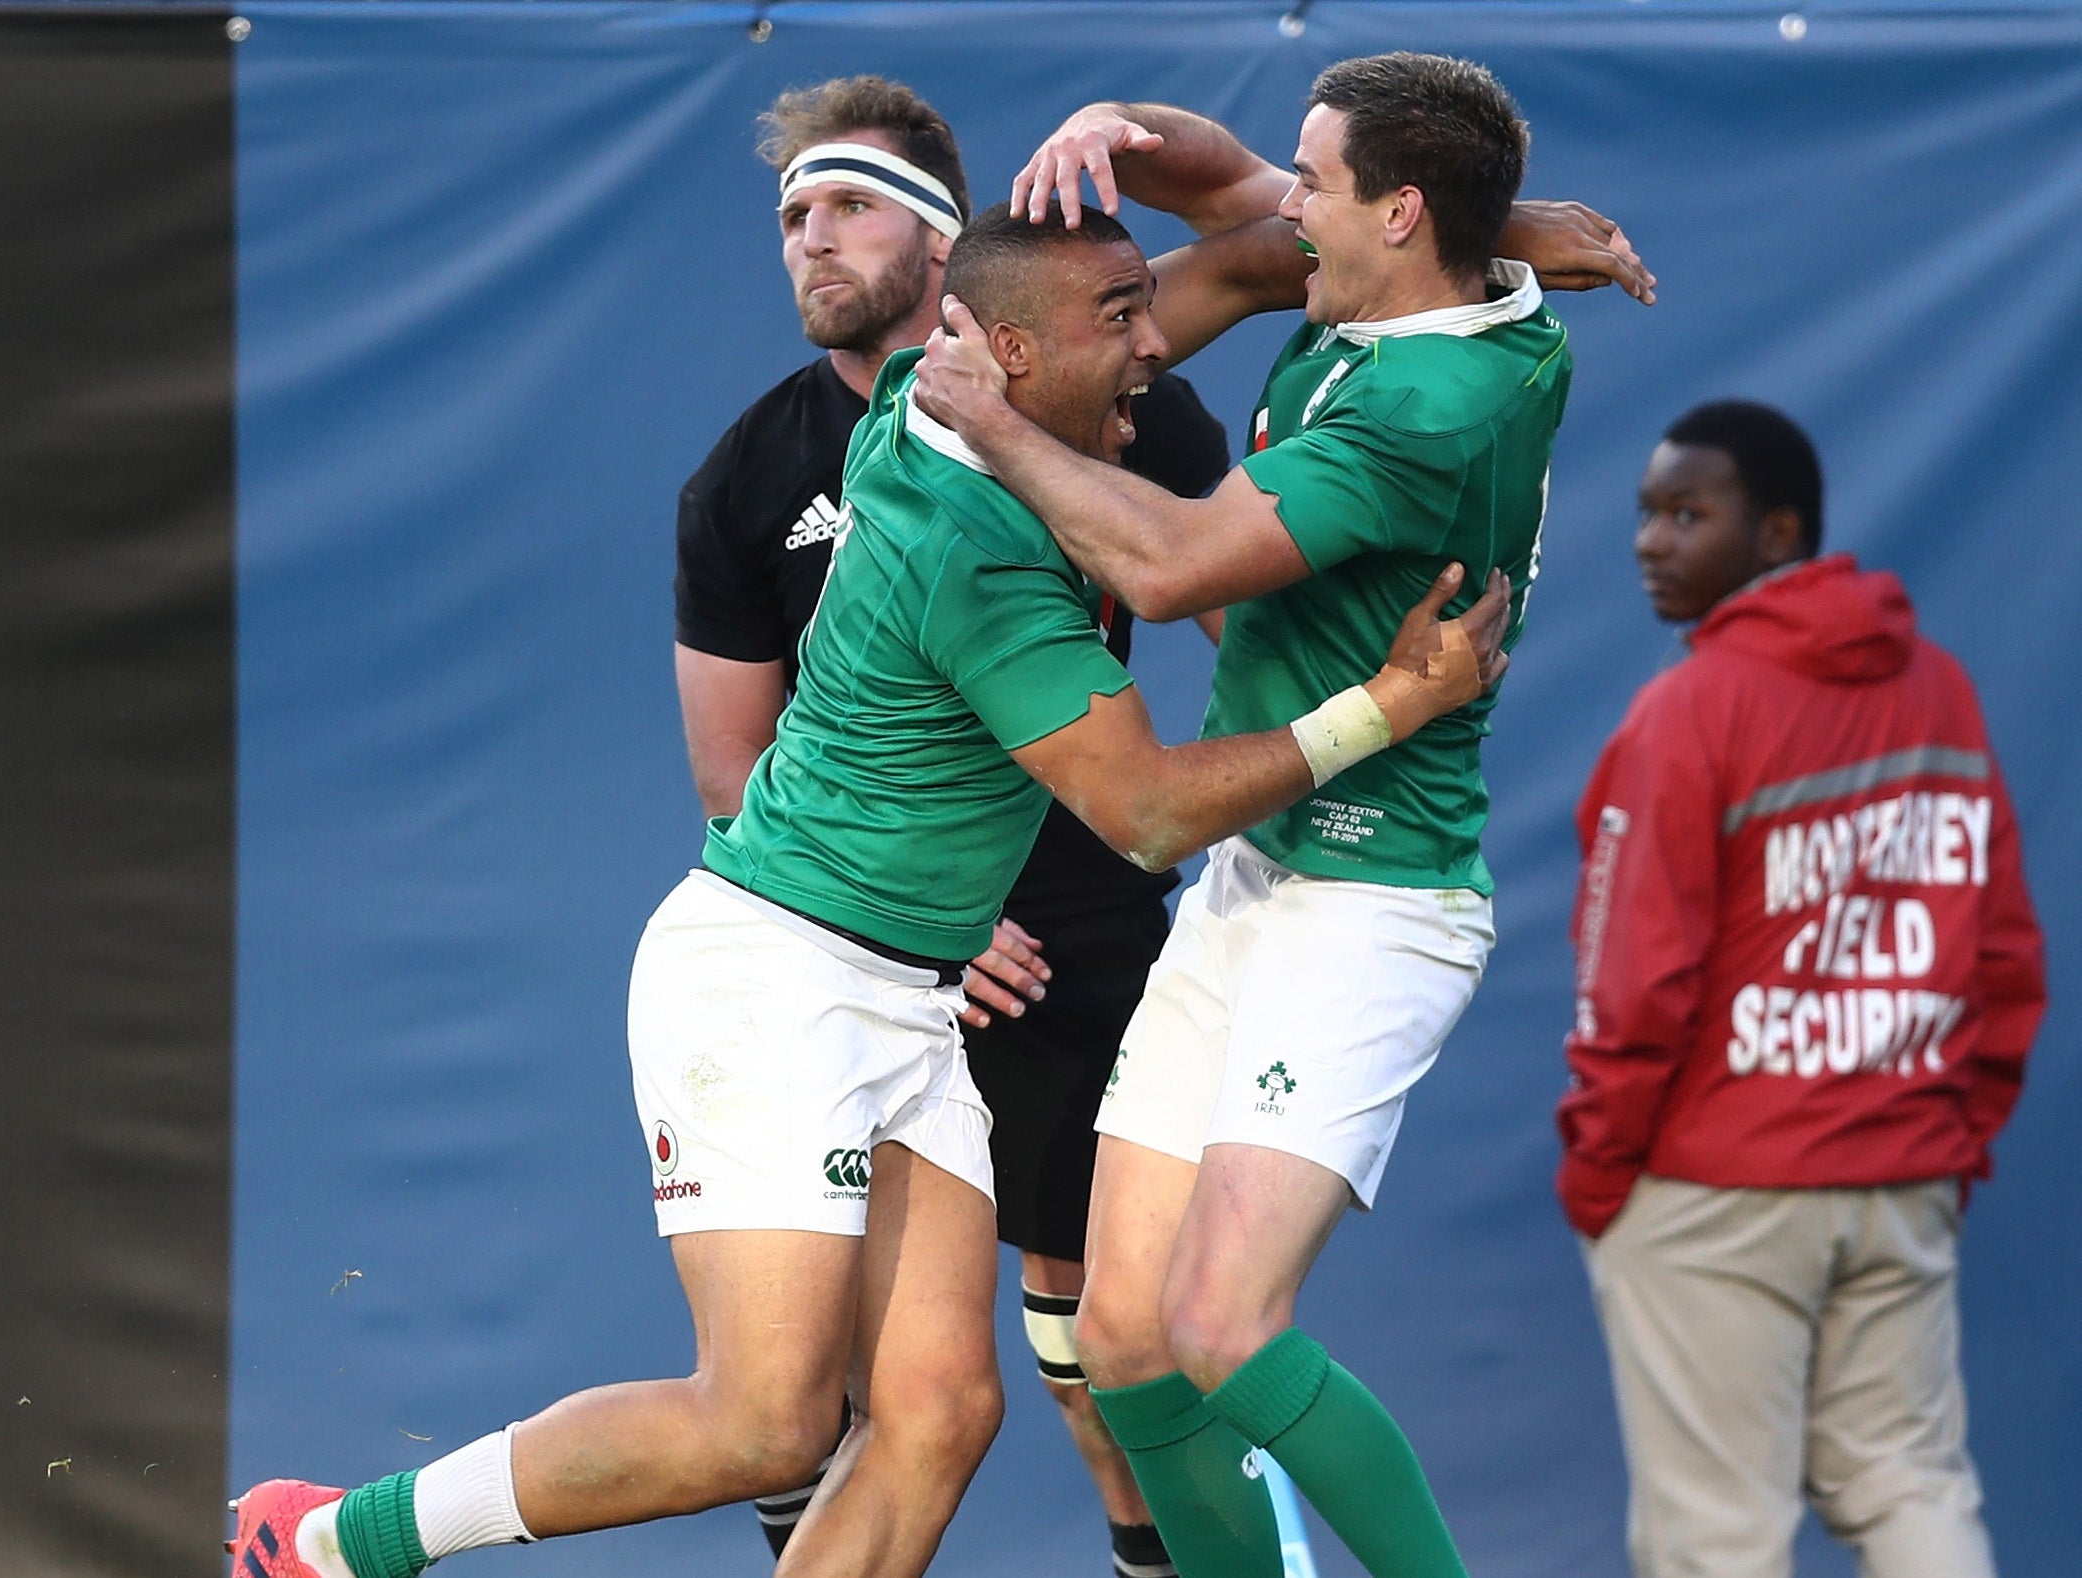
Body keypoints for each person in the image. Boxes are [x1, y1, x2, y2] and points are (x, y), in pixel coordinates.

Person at [225, 200, 1518, 1578]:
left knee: (943, 1414)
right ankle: (325, 1539)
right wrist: (1384, 706)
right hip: (773, 977)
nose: (1156, 343)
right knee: (766, 1425)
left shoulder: (929, 389)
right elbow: (1146, 814)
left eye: (1146, 304)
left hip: (910, 996)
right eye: (1121, 322)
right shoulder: (978, 550)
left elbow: (1242, 270)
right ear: (1008, 357)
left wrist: (1500, 241)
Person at [915, 52, 1652, 1578]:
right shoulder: (1407, 272)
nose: (1284, 198)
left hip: (1377, 903)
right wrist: (1109, 123)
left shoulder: (1434, 400)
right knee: (1120, 1340)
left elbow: (1172, 567)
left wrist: (993, 422)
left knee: (1218, 1323)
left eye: (1316, 180)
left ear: (1397, 211)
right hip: (1261, 873)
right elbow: (1229, 191)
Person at [671, 78, 1228, 1578]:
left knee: (1101, 1327)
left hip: (1081, 912)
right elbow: (734, 766)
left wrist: (1494, 247)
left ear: (946, 247)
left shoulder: (1120, 387)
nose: (811, 242)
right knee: (813, 1396)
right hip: (869, 938)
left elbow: (1284, 254)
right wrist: (926, 917)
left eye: (848, 206)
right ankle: (346, 1536)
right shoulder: (745, 480)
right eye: (792, 217)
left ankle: (1149, 1555)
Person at [1555, 401, 2044, 1578]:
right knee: (1908, 1480)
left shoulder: (1686, 710)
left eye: (1687, 513)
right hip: (1900, 1167)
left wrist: (1600, 1168)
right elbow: (2003, 951)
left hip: (1719, 1186)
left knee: (1716, 1532)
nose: (1650, 541)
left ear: (1778, 533)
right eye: (1644, 514)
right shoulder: (1940, 690)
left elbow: (1633, 981)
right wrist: (1949, 1129)